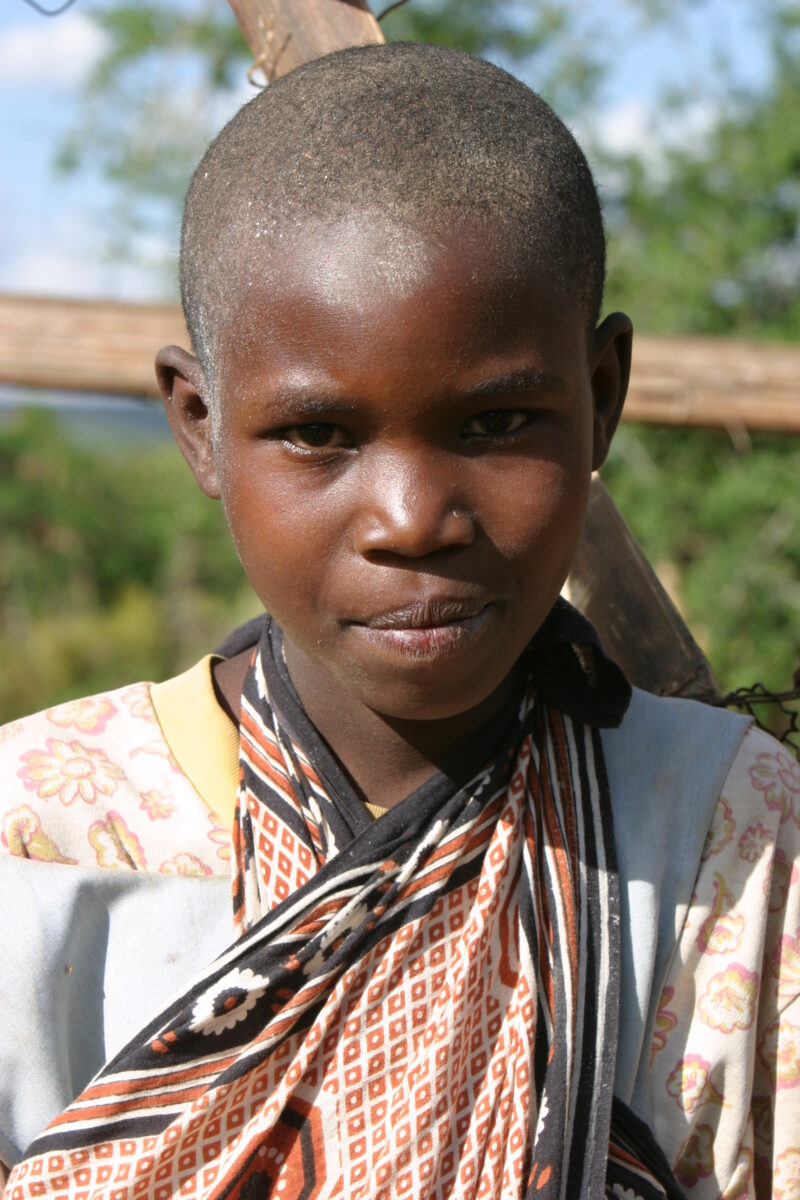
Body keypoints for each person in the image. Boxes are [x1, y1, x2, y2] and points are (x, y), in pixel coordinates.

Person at [0, 42, 797, 1200]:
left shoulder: (733, 831)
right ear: (197, 426)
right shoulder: (37, 836)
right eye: (320, 435)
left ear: (603, 398)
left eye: (494, 422)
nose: (413, 519)